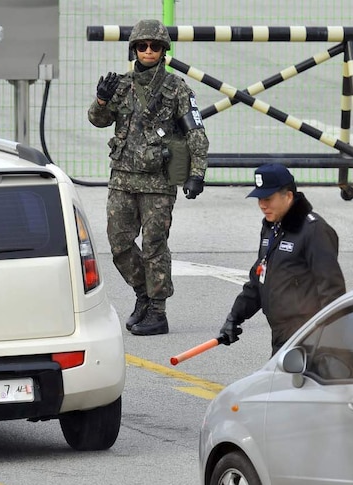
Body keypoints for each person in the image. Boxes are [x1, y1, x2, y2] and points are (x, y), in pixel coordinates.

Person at [88, 19, 209, 336]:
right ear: (134, 49)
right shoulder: (122, 86)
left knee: (155, 246)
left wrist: (196, 174)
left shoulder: (178, 89)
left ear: (164, 50)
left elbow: (196, 133)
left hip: (158, 183)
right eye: (142, 46)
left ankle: (158, 311)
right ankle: (143, 295)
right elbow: (98, 121)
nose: (148, 51)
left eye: (155, 46)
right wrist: (101, 100)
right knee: (119, 245)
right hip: (123, 180)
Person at [219, 163, 346, 355]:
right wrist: (235, 316)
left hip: (308, 338)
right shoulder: (272, 228)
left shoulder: (314, 230)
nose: (262, 205)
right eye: (260, 199)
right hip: (281, 335)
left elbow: (332, 290)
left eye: (268, 199)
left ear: (288, 196)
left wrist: (325, 340)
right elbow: (259, 279)